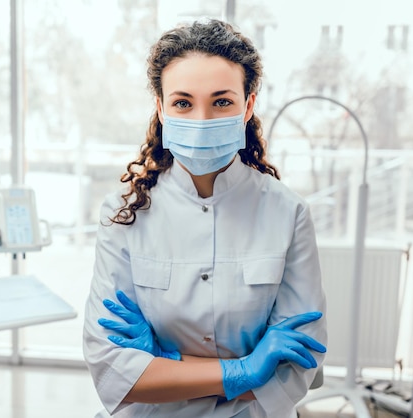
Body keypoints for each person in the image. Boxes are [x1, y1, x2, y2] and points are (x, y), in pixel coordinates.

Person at [82, 18, 327, 418]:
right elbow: (111, 367)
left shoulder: (289, 213)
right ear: (161, 108)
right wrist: (244, 370)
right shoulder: (122, 214)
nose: (201, 119)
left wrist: (166, 363)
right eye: (183, 102)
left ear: (247, 106)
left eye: (221, 101)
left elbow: (298, 367)